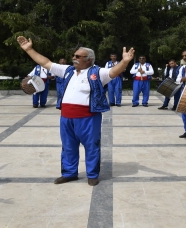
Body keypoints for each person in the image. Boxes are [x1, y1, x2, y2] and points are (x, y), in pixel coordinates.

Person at [17, 36, 134, 186]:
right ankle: (69, 173)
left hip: (88, 118)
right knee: (68, 147)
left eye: (78, 56)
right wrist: (29, 49)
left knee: (92, 146)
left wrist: (125, 62)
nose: (74, 58)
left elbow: (113, 72)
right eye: (74, 55)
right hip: (66, 117)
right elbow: (45, 62)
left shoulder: (98, 72)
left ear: (89, 59)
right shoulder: (68, 70)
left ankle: (92, 175)